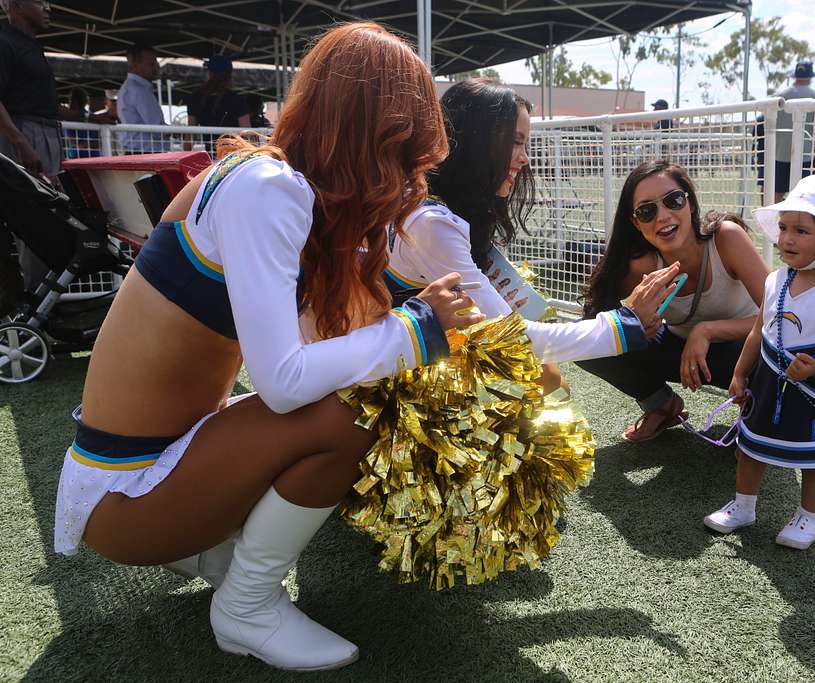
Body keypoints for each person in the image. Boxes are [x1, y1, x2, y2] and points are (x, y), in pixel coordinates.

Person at [54, 23, 484, 672]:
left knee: (339, 397)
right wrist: (419, 329)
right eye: (404, 156)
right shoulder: (270, 190)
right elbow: (283, 380)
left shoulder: (261, 179)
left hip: (141, 471)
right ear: (375, 135)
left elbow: (310, 349)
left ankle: (221, 561)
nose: (407, 181)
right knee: (345, 418)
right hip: (129, 495)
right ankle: (247, 608)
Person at [386, 79, 680, 395]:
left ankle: (658, 403)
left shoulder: (437, 203)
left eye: (525, 144)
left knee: (547, 376)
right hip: (400, 383)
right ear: (475, 141)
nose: (524, 158)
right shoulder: (433, 224)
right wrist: (625, 323)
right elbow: (511, 335)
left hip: (416, 355)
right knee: (545, 379)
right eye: (514, 141)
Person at [703, 173, 815, 550]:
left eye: (802, 231)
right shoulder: (775, 280)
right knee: (750, 446)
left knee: (813, 460)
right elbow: (758, 330)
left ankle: (809, 516)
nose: (787, 238)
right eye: (783, 228)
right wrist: (740, 373)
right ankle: (744, 506)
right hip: (768, 381)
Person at [577, 161, 770, 442]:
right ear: (635, 223)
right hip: (682, 355)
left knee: (775, 357)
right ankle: (661, 405)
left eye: (673, 200)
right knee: (589, 341)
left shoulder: (726, 238)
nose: (663, 216)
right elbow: (599, 319)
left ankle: (754, 413)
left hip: (746, 352)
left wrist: (707, 331)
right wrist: (636, 325)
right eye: (647, 211)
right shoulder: (641, 265)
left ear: (689, 204)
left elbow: (780, 315)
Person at [0, 0, 61, 293]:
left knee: (47, 219)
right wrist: (22, 143)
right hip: (26, 134)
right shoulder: (5, 42)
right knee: (35, 222)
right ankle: (37, 304)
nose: (48, 8)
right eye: (40, 1)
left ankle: (43, 304)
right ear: (16, 5)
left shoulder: (28, 44)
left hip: (41, 133)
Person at [774, 59, 815, 202]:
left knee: (777, 193)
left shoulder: (780, 96)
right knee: (803, 195)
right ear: (810, 77)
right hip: (804, 154)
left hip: (780, 152)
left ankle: (772, 223)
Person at [117, 43, 165, 153]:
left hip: (138, 151)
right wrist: (178, 132)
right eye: (151, 63)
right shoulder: (139, 90)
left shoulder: (128, 87)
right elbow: (158, 129)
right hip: (147, 152)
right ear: (135, 65)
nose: (157, 67)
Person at [187, 54, 250, 128]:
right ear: (229, 75)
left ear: (209, 73)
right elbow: (247, 132)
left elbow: (190, 133)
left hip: (205, 139)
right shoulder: (236, 99)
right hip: (231, 139)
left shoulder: (196, 97)